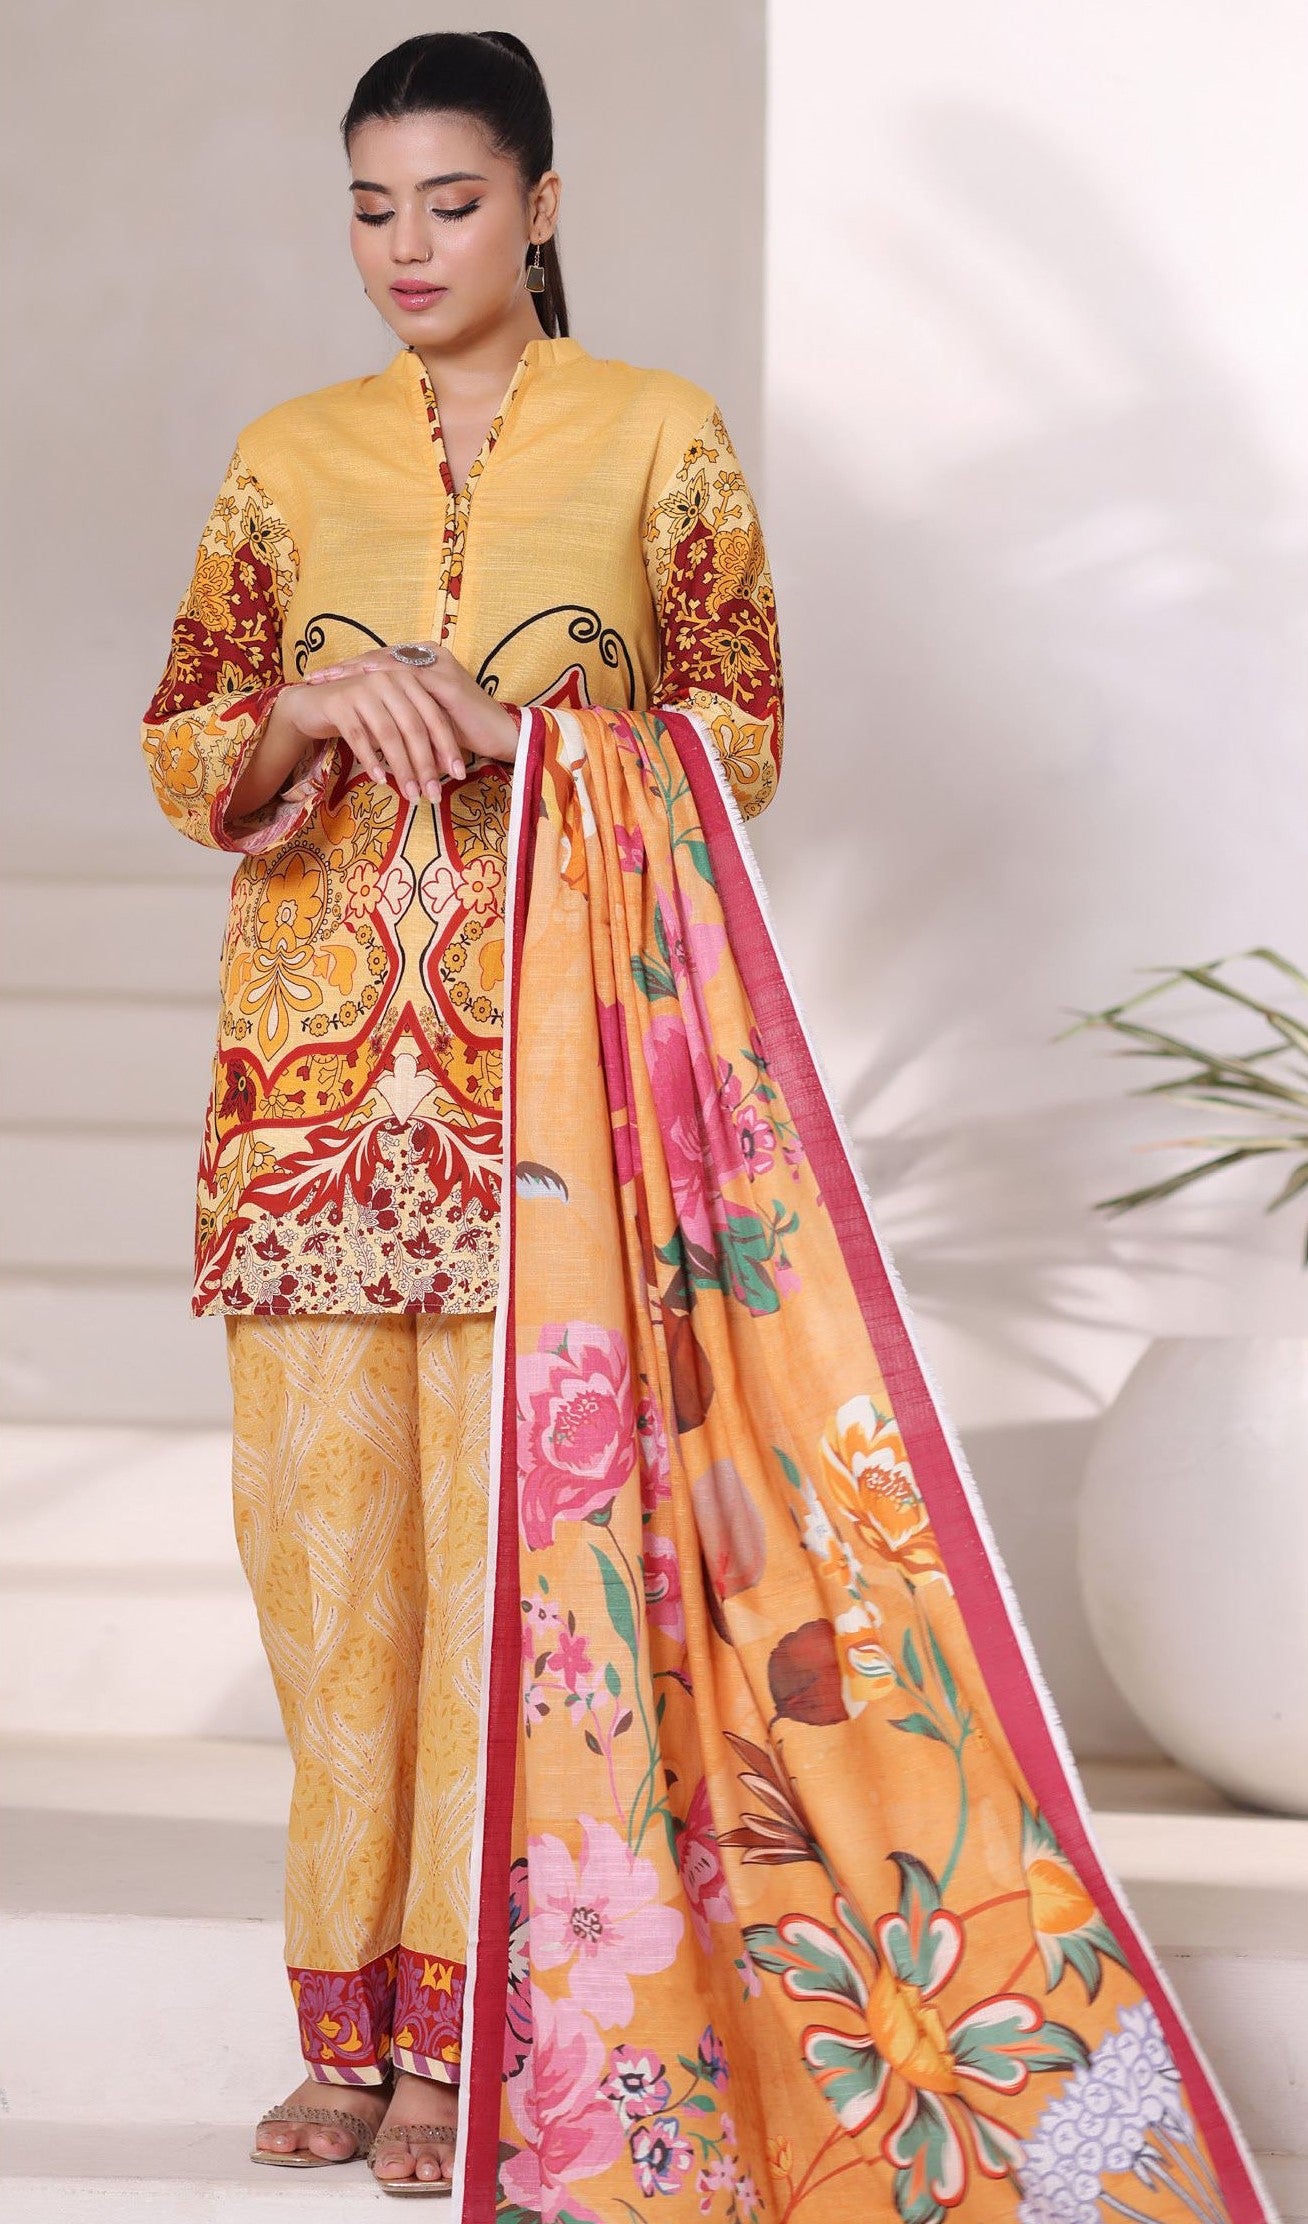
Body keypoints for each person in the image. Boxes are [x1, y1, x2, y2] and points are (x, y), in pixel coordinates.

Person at [143, 28, 782, 2195]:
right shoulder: (284, 449)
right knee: (328, 1583)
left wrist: (536, 732)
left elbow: (746, 732)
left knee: (520, 1574)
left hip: (549, 1092)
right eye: (370, 204)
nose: (407, 246)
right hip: (311, 1102)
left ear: (542, 203)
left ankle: (472, 2038)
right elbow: (182, 748)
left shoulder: (657, 437)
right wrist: (314, 697)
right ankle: (345, 2014)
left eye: (449, 200)